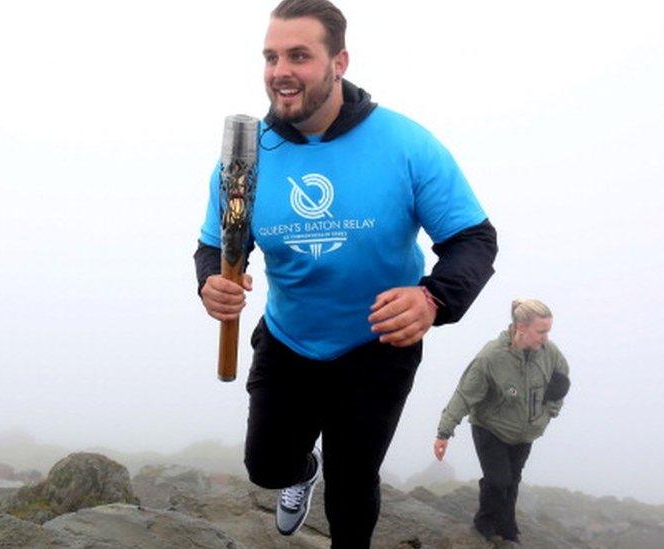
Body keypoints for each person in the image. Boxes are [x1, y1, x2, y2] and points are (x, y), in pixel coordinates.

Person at [194, 0, 498, 546]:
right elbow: (215, 246)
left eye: (299, 55)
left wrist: (432, 299)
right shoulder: (244, 160)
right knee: (266, 467)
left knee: (353, 485)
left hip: (378, 344)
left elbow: (473, 240)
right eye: (270, 56)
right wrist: (210, 285)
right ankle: (299, 473)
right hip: (290, 341)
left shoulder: (404, 144)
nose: (280, 70)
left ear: (339, 62)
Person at [434, 299, 571, 545]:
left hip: (526, 432)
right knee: (498, 481)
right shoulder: (491, 357)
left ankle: (508, 529)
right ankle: (483, 524)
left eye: (548, 331)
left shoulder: (550, 354)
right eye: (541, 331)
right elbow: (465, 394)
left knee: (513, 481)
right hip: (490, 428)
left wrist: (547, 415)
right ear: (520, 327)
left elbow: (561, 384)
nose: (546, 338)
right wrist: (444, 432)